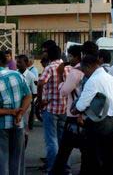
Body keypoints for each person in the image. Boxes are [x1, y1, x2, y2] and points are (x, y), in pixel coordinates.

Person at [71, 54, 113, 175]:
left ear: (89, 67)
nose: (84, 74)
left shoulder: (93, 81)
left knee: (92, 160)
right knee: (108, 159)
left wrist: (76, 110)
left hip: (98, 124)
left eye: (84, 70)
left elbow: (81, 106)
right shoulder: (110, 78)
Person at [52, 45, 86, 175]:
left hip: (73, 114)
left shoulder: (75, 71)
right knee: (84, 148)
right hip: (84, 114)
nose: (68, 58)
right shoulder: (87, 71)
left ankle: (59, 171)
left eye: (70, 56)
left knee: (64, 150)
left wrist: (60, 75)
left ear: (77, 57)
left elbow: (64, 91)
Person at [37, 45, 69, 173]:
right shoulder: (68, 66)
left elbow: (40, 83)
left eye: (45, 52)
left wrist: (40, 101)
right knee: (62, 140)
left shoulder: (50, 67)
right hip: (65, 108)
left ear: (49, 54)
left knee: (51, 141)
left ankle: (52, 169)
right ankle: (63, 168)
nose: (43, 54)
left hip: (51, 108)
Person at [0, 51, 32, 175]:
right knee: (17, 159)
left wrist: (11, 111)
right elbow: (28, 96)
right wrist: (20, 113)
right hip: (18, 124)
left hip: (2, 126)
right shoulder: (17, 75)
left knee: (2, 160)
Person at [16, 55, 37, 148]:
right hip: (16, 104)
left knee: (24, 127)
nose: (17, 64)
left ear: (26, 63)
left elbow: (34, 92)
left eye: (20, 62)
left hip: (26, 106)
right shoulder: (15, 74)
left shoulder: (31, 76)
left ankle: (23, 147)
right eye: (17, 62)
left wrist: (28, 102)